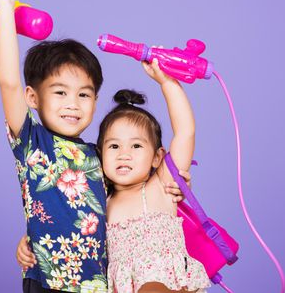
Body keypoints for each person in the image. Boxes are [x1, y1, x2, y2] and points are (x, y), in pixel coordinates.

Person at [0, 0, 189, 293]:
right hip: (48, 281)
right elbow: (8, 82)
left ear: (95, 100)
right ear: (33, 97)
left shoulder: (101, 157)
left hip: (97, 285)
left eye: (84, 95)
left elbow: (132, 191)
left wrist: (173, 184)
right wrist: (6, 14)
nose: (72, 104)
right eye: (60, 92)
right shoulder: (31, 141)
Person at [18, 60, 210, 292]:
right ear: (99, 154)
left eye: (136, 146)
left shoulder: (161, 186)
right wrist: (30, 241)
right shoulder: (99, 200)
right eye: (114, 147)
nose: (124, 155)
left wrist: (167, 83)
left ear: (157, 157)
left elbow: (185, 132)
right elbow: (66, 225)